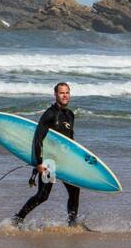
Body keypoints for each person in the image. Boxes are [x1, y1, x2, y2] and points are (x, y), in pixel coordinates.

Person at [14, 81, 81, 227]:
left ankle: (72, 223)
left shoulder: (70, 114)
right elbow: (38, 138)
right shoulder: (49, 114)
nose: (65, 95)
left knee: (75, 191)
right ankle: (18, 219)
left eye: (67, 92)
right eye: (61, 93)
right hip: (49, 162)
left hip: (65, 161)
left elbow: (70, 140)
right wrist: (39, 163)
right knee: (43, 195)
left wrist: (77, 159)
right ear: (55, 94)